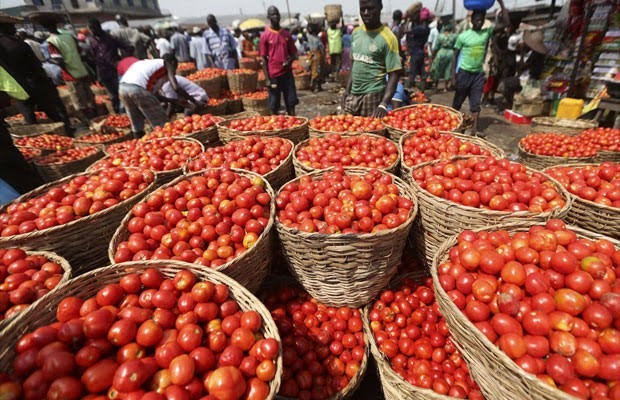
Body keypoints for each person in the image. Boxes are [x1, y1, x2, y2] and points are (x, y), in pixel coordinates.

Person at [0, 15, 72, 133]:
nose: (14, 28)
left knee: (30, 117)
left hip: (18, 88)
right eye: (12, 26)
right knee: (52, 111)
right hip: (35, 82)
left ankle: (39, 137)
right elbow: (36, 65)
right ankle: (67, 133)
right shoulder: (19, 44)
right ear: (5, 28)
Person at [451, 1, 510, 136]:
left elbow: (506, 24)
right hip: (464, 73)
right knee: (457, 102)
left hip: (477, 74)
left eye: (481, 20)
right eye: (476, 19)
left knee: (475, 104)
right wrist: (453, 76)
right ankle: (455, 127)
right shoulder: (463, 36)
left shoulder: (486, 33)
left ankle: (474, 130)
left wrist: (501, 4)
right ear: (471, 20)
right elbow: (455, 56)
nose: (479, 22)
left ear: (484, 21)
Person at [344, 0, 402, 117]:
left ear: (380, 7)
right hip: (353, 95)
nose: (366, 13)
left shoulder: (388, 37)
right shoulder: (356, 33)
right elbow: (354, 64)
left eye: (371, 9)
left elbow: (394, 73)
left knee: (369, 133)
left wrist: (383, 104)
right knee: (347, 131)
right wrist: (346, 91)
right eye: (362, 9)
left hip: (373, 96)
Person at [119, 54, 195, 138]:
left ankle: (138, 145)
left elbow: (154, 96)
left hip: (122, 88)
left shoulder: (149, 66)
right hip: (138, 88)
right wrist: (194, 101)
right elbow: (176, 87)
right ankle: (166, 143)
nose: (174, 72)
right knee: (162, 124)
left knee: (136, 123)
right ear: (173, 63)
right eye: (175, 68)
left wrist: (174, 101)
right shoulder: (166, 63)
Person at [38, 13, 96, 120]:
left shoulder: (51, 41)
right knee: (89, 97)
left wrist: (49, 60)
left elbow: (59, 61)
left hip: (71, 75)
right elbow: (81, 52)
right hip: (82, 71)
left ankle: (88, 122)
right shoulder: (68, 36)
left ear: (45, 28)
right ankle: (96, 117)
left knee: (79, 101)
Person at [259, 6, 298, 116]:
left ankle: (293, 125)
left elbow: (294, 54)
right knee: (273, 105)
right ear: (268, 17)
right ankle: (274, 128)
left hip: (287, 74)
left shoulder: (286, 34)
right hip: (273, 75)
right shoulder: (265, 35)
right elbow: (263, 58)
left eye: (277, 14)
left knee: (291, 102)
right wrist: (267, 79)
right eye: (272, 14)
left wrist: (289, 61)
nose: (275, 16)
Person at [87, 18, 131, 113]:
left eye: (93, 28)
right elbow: (93, 57)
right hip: (103, 72)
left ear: (98, 27)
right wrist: (98, 75)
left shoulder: (110, 38)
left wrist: (123, 61)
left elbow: (128, 47)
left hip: (115, 70)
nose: (92, 31)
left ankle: (127, 112)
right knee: (112, 96)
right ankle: (119, 114)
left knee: (122, 93)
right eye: (90, 29)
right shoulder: (91, 40)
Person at [405, 7, 430, 90]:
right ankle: (422, 91)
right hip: (421, 53)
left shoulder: (417, 29)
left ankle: (408, 89)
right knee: (423, 73)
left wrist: (408, 20)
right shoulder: (427, 29)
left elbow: (406, 31)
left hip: (415, 53)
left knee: (412, 73)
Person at [430, 22, 457, 91]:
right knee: (448, 69)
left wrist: (432, 56)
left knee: (438, 68)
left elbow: (436, 47)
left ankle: (436, 86)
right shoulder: (454, 36)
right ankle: (445, 87)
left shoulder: (440, 36)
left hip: (441, 52)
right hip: (450, 53)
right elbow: (456, 46)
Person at [307, 24, 325, 92]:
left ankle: (314, 85)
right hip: (317, 55)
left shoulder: (309, 37)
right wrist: (323, 56)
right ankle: (314, 85)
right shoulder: (317, 38)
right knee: (318, 71)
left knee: (312, 70)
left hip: (310, 54)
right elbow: (321, 47)